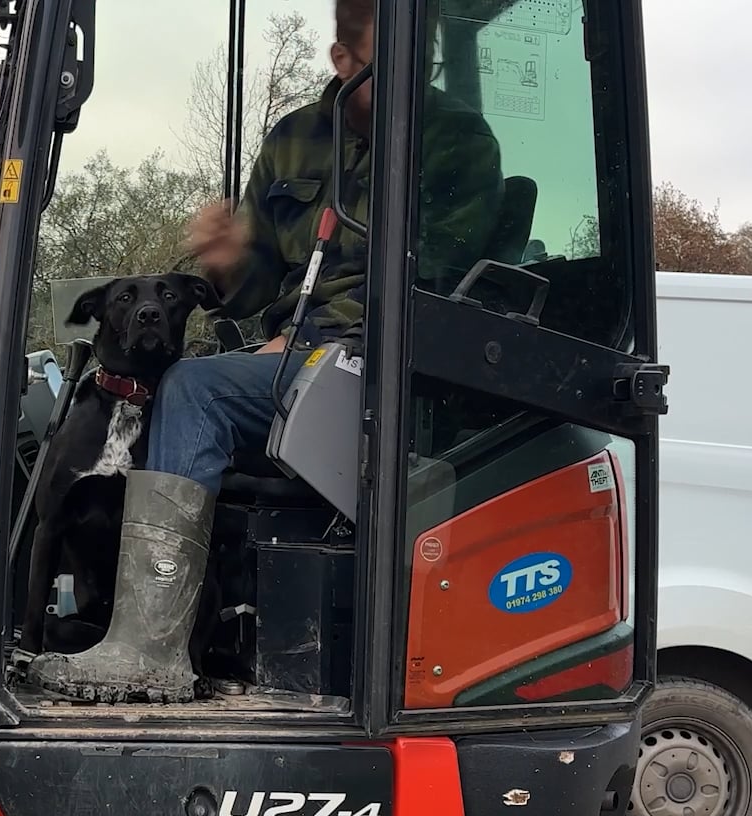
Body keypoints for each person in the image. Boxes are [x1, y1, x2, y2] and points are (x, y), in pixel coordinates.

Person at [26, 0, 507, 704]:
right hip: (300, 355)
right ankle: (175, 624)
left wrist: (324, 339)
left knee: (191, 390)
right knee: (183, 383)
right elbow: (255, 285)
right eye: (391, 62)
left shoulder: (459, 140)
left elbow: (436, 283)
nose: (413, 78)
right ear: (344, 61)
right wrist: (228, 260)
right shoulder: (293, 139)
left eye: (421, 59)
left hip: (390, 365)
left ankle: (151, 648)